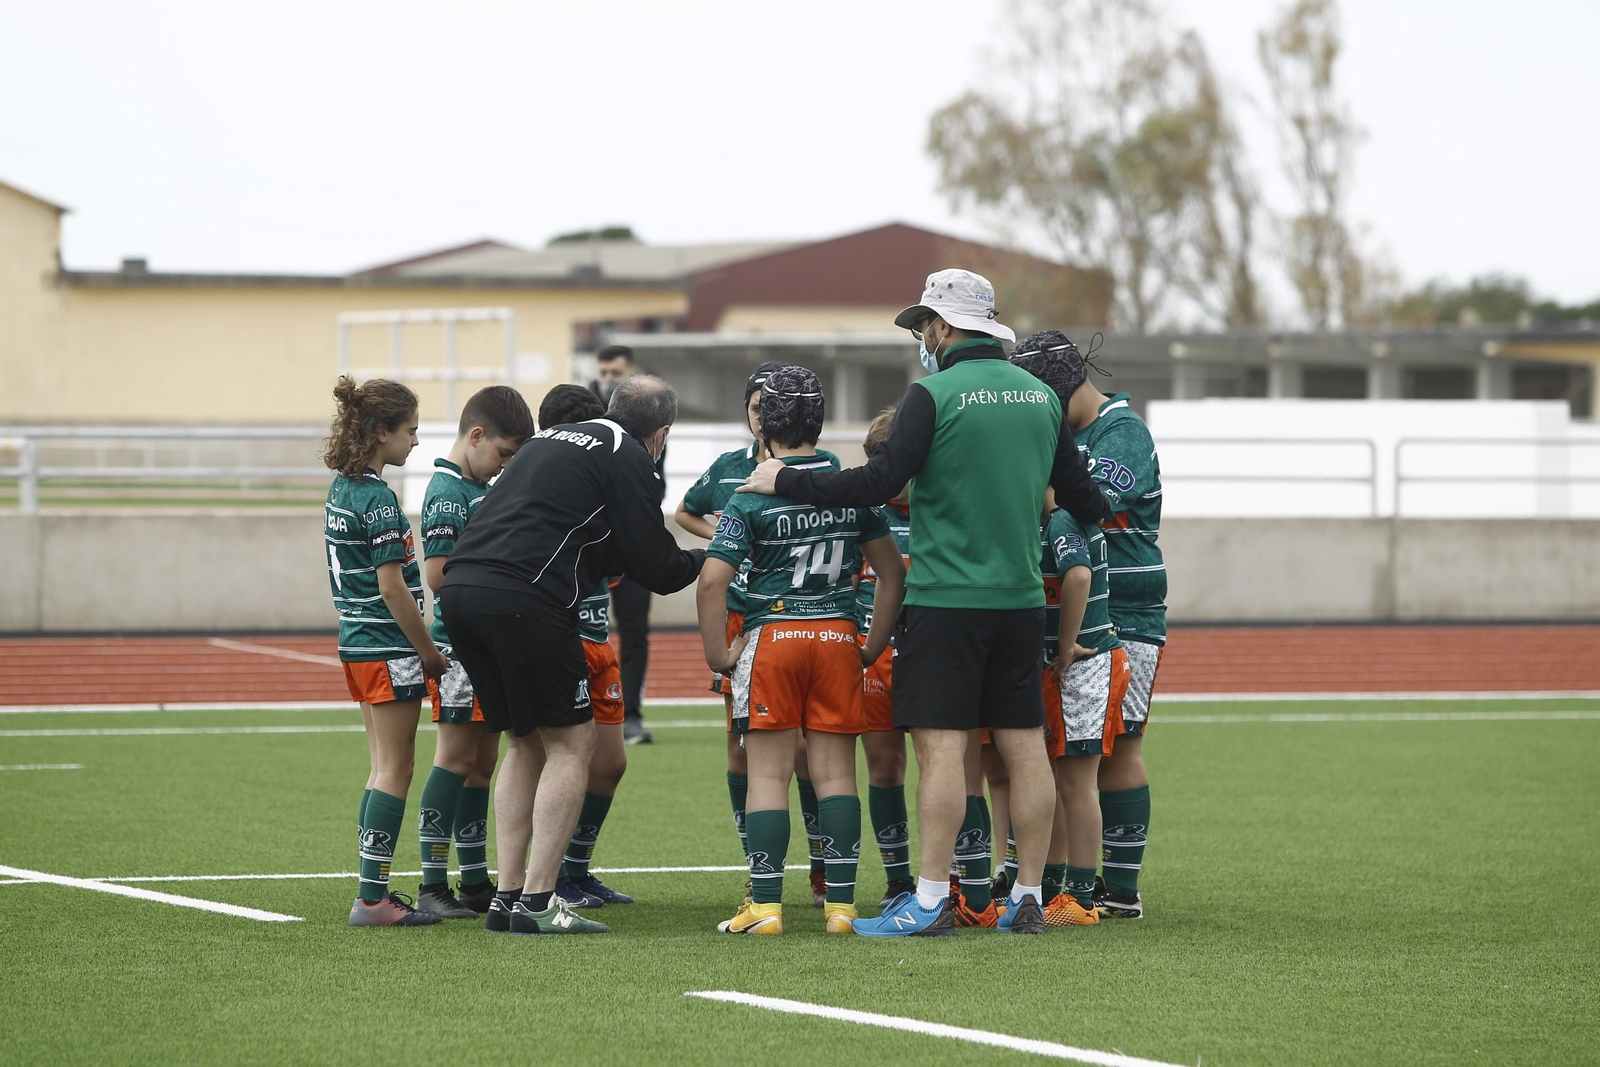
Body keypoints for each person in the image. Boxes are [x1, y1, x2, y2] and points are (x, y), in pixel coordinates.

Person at [741, 269, 1110, 937]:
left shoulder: (932, 394)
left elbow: (880, 481)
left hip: (946, 598)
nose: (922, 338)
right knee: (1026, 747)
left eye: (923, 327)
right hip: (1021, 599)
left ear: (943, 326)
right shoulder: (1041, 398)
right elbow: (1089, 502)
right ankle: (1028, 895)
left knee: (943, 749)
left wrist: (785, 479)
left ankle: (932, 898)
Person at [441, 375, 705, 936]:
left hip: (462, 591)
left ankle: (507, 897)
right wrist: (717, 555)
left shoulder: (548, 441)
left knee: (522, 742)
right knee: (573, 742)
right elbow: (656, 566)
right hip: (524, 599)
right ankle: (539, 902)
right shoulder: (628, 453)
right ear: (659, 435)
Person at [700, 366, 906, 935]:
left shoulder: (752, 494)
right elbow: (892, 573)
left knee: (768, 777)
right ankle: (841, 907)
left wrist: (720, 656)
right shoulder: (848, 484)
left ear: (765, 425)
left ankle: (765, 906)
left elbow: (712, 581)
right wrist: (871, 645)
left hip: (774, 636)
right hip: (838, 637)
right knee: (837, 776)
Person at [1011, 330, 1164, 920]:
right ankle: (1057, 880)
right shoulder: (1073, 433)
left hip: (1125, 609)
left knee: (1119, 746)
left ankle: (1119, 890)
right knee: (1061, 750)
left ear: (1066, 387)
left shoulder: (1123, 433)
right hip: (1071, 610)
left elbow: (1082, 500)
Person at [675, 362, 836, 907]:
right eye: (754, 405)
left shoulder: (824, 465)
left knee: (807, 750)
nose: (761, 414)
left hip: (798, 619)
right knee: (742, 750)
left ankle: (822, 867)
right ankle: (759, 871)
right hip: (744, 620)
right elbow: (684, 512)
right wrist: (727, 534)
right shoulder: (727, 469)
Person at [321, 375, 449, 927]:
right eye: (410, 431)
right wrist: (429, 650)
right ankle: (372, 898)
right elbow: (393, 586)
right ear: (381, 432)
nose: (416, 442)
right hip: (388, 645)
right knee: (396, 769)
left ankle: (372, 890)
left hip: (356, 643)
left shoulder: (341, 488)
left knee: (380, 769)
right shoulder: (376, 499)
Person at [416, 385, 534, 919]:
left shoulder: (476, 486)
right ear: (476, 435)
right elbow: (438, 575)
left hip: (487, 644)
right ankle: (431, 883)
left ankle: (474, 878)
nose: (503, 467)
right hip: (459, 644)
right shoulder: (446, 492)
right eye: (503, 455)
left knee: (483, 763)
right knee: (454, 758)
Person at [533, 384, 636, 910]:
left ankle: (575, 869)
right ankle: (509, 879)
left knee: (610, 762)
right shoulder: (536, 483)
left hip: (598, 636)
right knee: (538, 757)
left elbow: (616, 566)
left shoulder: (601, 481)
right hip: (558, 637)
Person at [1042, 484, 1131, 927]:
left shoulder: (1061, 518)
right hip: (1076, 668)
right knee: (1063, 782)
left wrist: (1065, 643)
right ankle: (1054, 887)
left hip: (1086, 663)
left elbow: (1078, 576)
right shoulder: (1068, 515)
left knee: (1077, 783)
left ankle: (1079, 897)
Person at [854, 408, 915, 908]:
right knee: (885, 766)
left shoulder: (945, 506)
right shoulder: (866, 515)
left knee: (957, 767)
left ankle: (967, 876)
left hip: (933, 655)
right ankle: (898, 880)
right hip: (877, 661)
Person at [592, 344, 662, 745]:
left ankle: (630, 713)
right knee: (583, 625)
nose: (608, 377)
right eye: (604, 369)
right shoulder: (586, 411)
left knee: (634, 631)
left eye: (616, 371)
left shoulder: (652, 419)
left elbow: (657, 480)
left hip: (632, 539)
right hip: (591, 543)